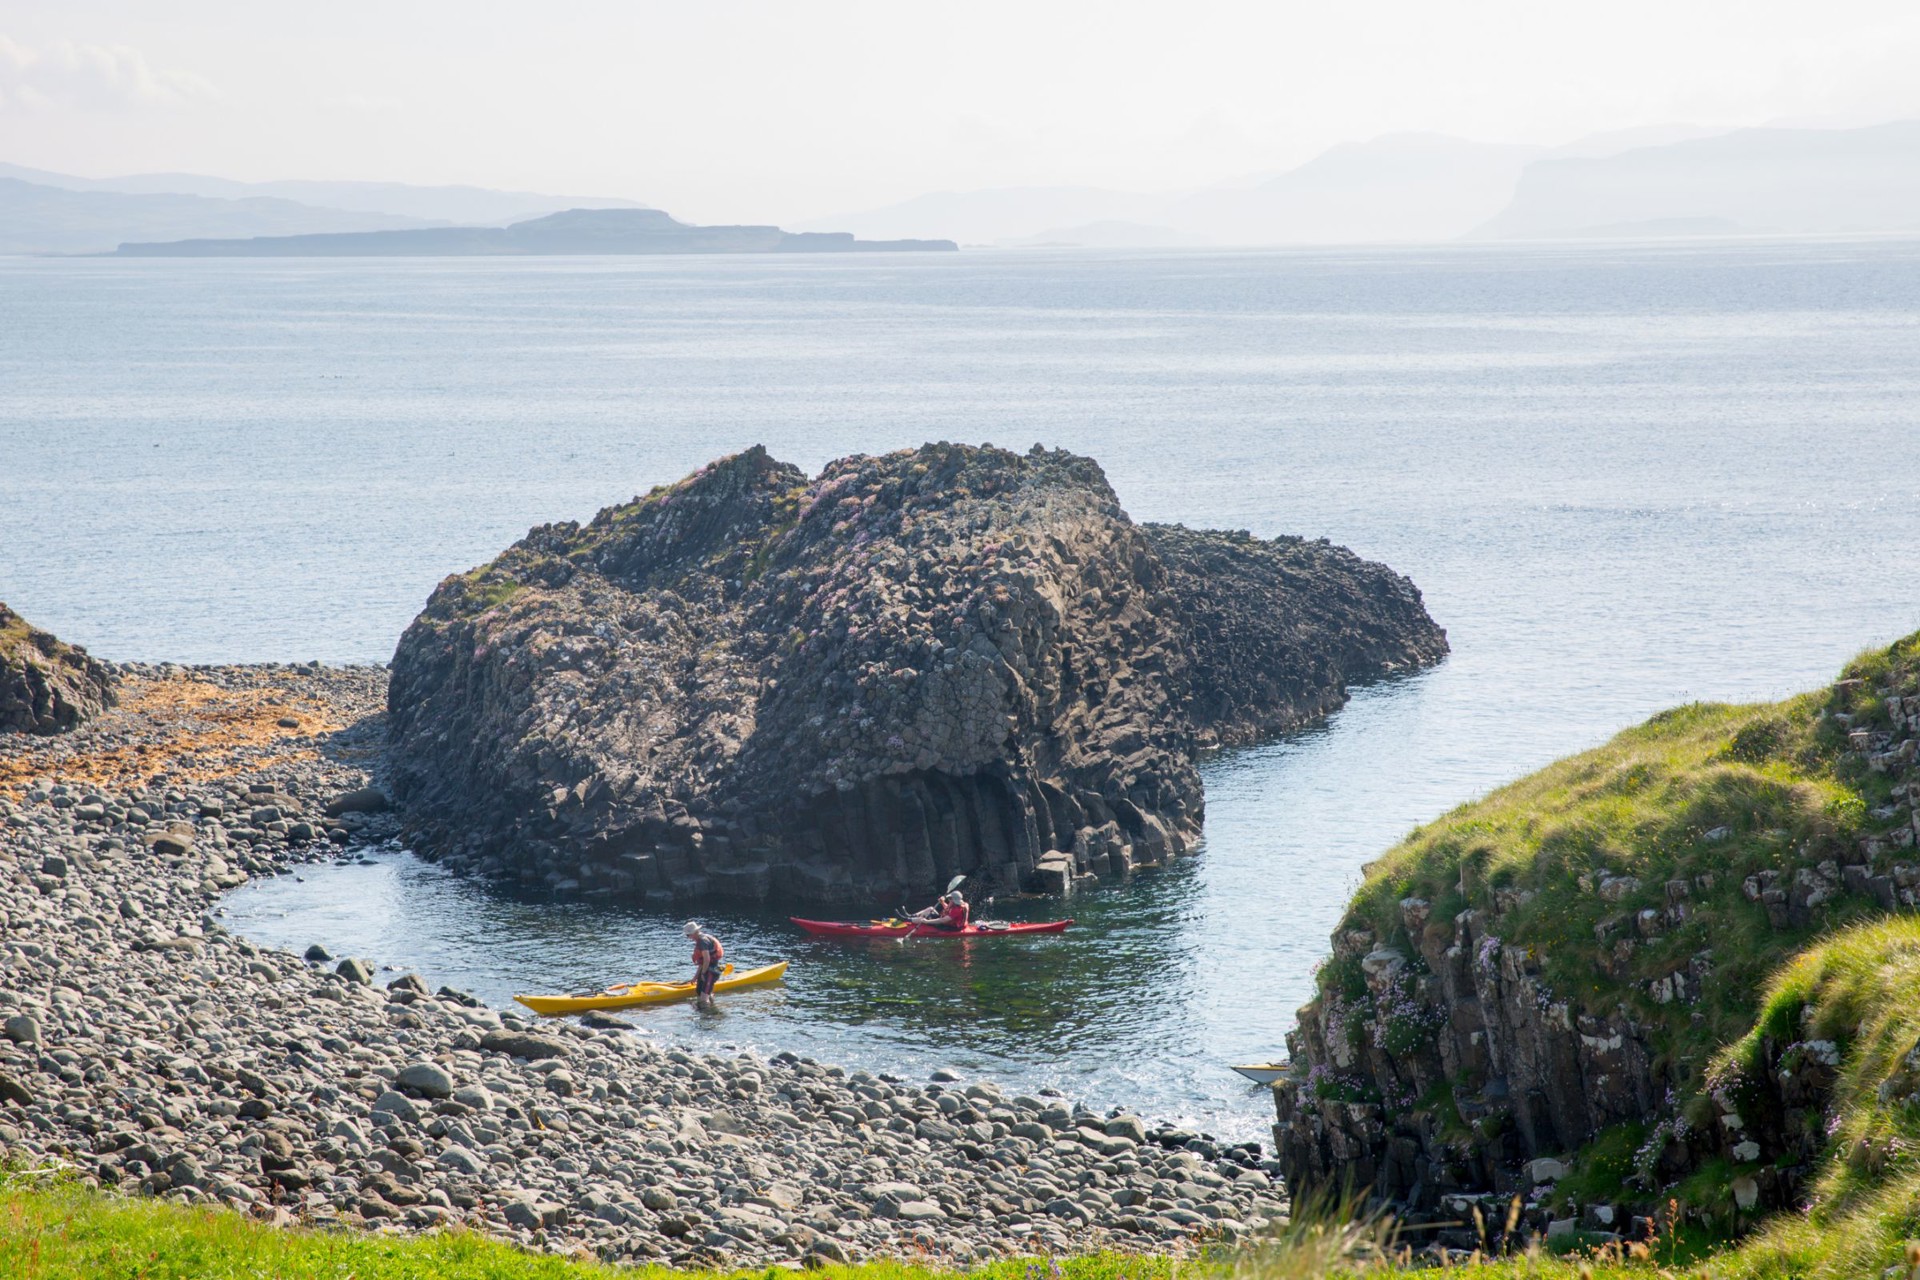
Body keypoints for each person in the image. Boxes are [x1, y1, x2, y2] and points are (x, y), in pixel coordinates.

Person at [684, 920, 723, 1011]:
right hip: (707, 969)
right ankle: (711, 1005)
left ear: (694, 933)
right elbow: (702, 963)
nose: (688, 938)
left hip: (711, 971)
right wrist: (695, 977)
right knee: (699, 991)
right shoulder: (701, 939)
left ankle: (708, 1018)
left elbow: (707, 959)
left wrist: (703, 973)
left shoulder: (702, 942)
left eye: (688, 935)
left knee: (703, 999)